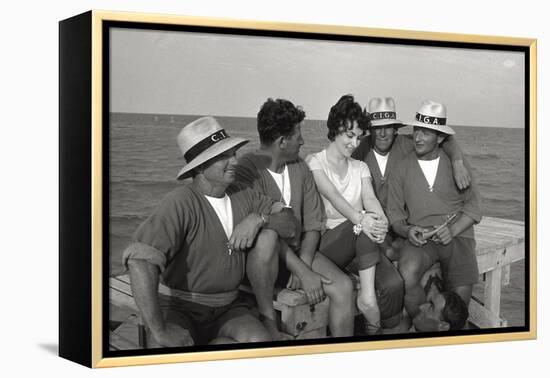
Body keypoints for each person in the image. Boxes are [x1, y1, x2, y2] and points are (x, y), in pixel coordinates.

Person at [122, 116, 298, 347]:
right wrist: (160, 329)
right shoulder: (180, 202)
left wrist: (260, 218)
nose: (235, 161)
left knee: (259, 342)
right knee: (165, 350)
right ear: (201, 166)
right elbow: (139, 261)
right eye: (224, 156)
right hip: (179, 308)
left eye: (233, 153)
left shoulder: (244, 194)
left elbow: (291, 225)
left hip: (229, 307)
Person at [234, 98, 355, 340]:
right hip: (262, 262)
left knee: (344, 287)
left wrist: (306, 265)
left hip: (299, 255)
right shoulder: (247, 170)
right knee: (267, 236)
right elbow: (258, 233)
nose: (302, 141)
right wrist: (301, 271)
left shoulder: (300, 167)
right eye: (297, 134)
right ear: (282, 141)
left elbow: (312, 224)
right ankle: (268, 321)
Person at [305, 95, 404, 335]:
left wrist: (381, 222)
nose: (354, 143)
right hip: (330, 244)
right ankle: (367, 300)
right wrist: (362, 219)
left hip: (362, 236)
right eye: (349, 135)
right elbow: (334, 197)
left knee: (394, 284)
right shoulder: (314, 162)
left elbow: (370, 199)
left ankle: (379, 334)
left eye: (359, 137)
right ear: (335, 129)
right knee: (358, 226)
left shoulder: (360, 167)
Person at [387, 101, 482, 323]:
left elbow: (475, 206)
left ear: (440, 138)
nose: (418, 137)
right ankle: (424, 328)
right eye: (416, 130)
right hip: (423, 238)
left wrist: (454, 229)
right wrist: (407, 229)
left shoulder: (456, 164)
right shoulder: (401, 168)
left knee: (458, 304)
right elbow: (394, 214)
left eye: (426, 132)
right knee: (407, 270)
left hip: (458, 236)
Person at [351, 97, 471, 261]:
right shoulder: (359, 150)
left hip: (403, 226)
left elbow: (446, 140)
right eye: (377, 128)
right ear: (369, 130)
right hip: (374, 226)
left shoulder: (408, 144)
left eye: (388, 127)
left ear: (396, 129)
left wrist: (457, 162)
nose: (383, 133)